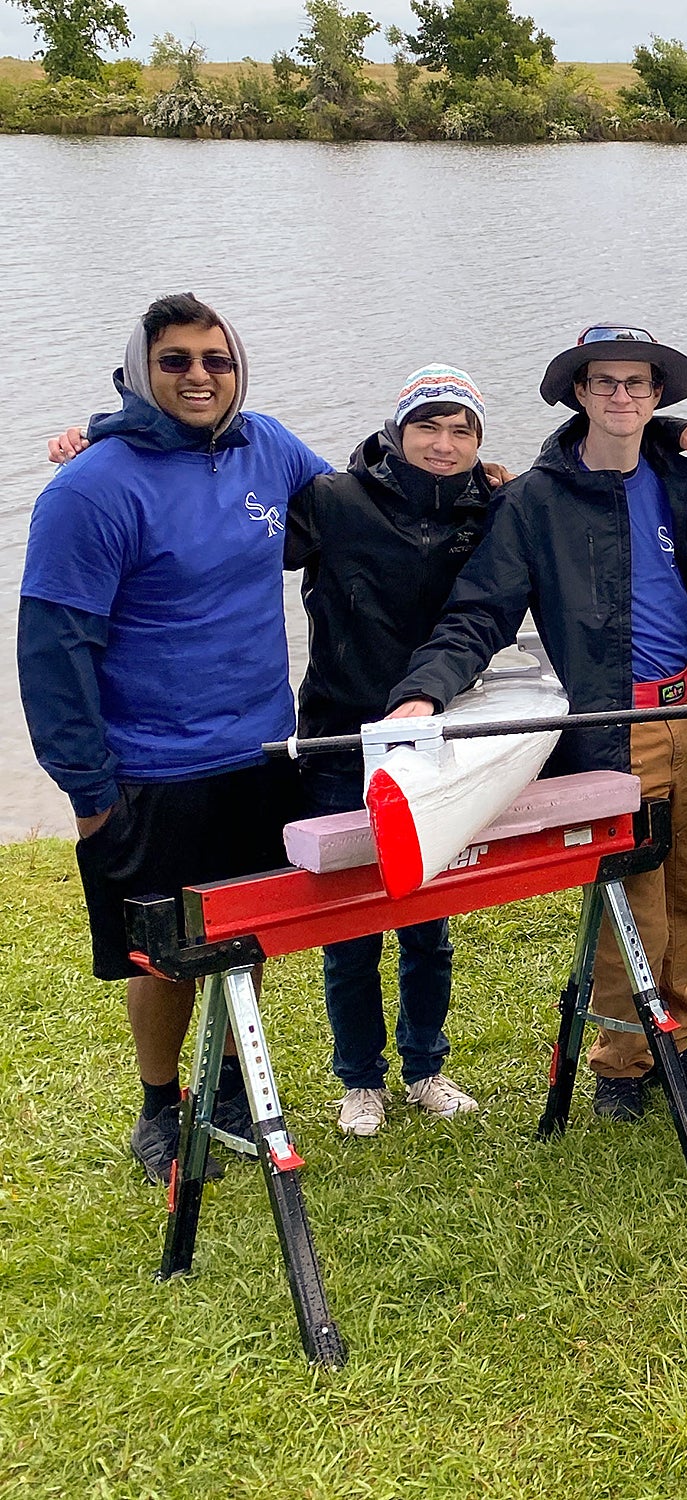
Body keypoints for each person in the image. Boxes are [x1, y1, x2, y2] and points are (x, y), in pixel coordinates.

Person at [387, 323, 687, 1120]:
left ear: (657, 396)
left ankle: (673, 1043)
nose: (622, 396)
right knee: (635, 906)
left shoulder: (684, 482)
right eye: (605, 383)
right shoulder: (533, 503)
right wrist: (425, 690)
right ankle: (621, 1064)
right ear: (579, 393)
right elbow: (477, 615)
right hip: (613, 727)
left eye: (638, 385)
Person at [18, 293, 327, 1182]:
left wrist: (484, 478)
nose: (200, 376)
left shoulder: (266, 445)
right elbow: (53, 650)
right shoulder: (90, 489)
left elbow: (357, 503)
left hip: (262, 749)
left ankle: (232, 1087)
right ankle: (161, 1105)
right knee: (166, 956)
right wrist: (88, 791)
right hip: (151, 767)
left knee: (247, 931)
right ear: (139, 372)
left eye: (215, 360)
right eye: (177, 361)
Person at [286, 367, 504, 1137]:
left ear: (480, 443)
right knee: (351, 922)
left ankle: (425, 1067)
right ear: (397, 431)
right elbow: (223, 526)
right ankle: (359, 1080)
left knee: (425, 915)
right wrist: (101, 442)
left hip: (433, 738)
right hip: (340, 735)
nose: (443, 445)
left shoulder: (491, 509)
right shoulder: (335, 502)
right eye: (428, 427)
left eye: (462, 431)